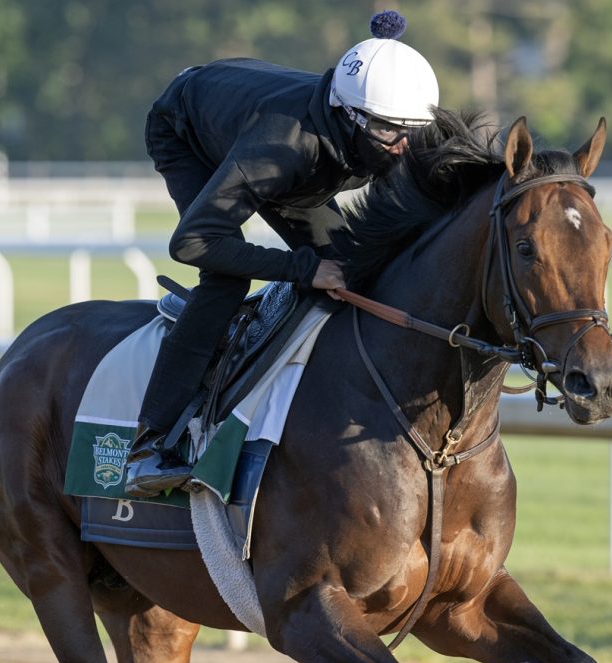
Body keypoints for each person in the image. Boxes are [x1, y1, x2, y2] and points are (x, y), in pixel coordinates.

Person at [124, 10, 440, 497]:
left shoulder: (385, 125)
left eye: (411, 132)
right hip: (189, 131)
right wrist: (304, 268)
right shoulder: (282, 149)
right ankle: (148, 446)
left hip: (274, 131)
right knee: (224, 278)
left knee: (359, 272)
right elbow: (191, 243)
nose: (403, 148)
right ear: (351, 118)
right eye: (389, 133)